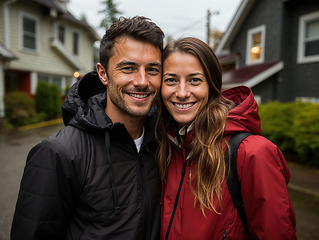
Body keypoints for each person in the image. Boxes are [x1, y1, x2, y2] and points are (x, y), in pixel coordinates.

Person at [11, 16, 164, 240]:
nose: (142, 81)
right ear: (103, 73)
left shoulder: (165, 142)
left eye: (152, 69)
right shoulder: (58, 153)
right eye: (128, 68)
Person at [156, 37, 297, 240]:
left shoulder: (253, 153)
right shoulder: (167, 146)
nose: (182, 92)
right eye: (171, 80)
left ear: (212, 86)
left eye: (195, 80)